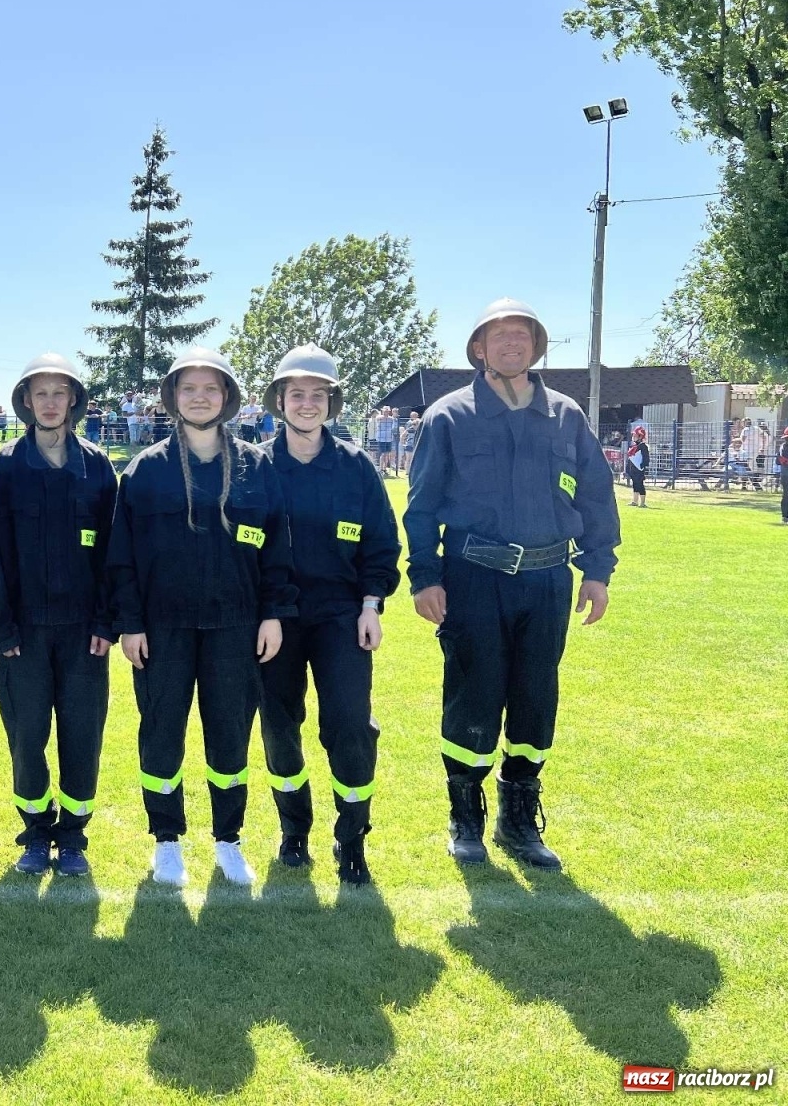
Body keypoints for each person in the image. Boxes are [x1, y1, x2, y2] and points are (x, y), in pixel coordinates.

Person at [405, 298, 620, 871]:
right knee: (473, 695)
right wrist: (424, 577)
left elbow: (596, 494)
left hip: (548, 580)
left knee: (535, 699)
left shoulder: (566, 415)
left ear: (536, 345)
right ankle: (465, 816)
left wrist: (597, 571)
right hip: (474, 578)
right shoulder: (448, 415)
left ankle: (518, 819)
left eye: (521, 334)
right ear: (478, 348)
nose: (510, 343)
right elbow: (421, 506)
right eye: (498, 335)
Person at [108, 346, 298, 888]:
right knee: (161, 733)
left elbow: (276, 549)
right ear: (173, 397)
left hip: (236, 626)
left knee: (230, 737)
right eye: (188, 388)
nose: (199, 397)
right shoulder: (145, 470)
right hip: (163, 628)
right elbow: (122, 556)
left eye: (210, 389)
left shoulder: (257, 467)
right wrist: (132, 623)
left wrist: (272, 614)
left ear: (227, 398)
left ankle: (228, 839)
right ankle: (166, 841)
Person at [255, 345, 401, 885]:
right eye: (297, 394)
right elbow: (245, 546)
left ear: (331, 403)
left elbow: (382, 544)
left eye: (318, 395)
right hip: (276, 620)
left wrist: (371, 604)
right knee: (278, 725)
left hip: (342, 615)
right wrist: (265, 609)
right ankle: (294, 829)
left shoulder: (357, 467)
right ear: (280, 401)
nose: (307, 404)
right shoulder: (257, 466)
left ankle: (352, 836)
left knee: (348, 725)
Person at [0, 354, 118, 877]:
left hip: (85, 635)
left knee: (82, 735)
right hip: (24, 634)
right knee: (27, 735)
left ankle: (74, 836)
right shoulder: (7, 467)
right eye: (39, 393)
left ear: (73, 401)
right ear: (25, 402)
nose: (49, 402)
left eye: (58, 393)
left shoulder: (98, 466)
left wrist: (106, 622)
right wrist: (2, 624)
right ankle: (37, 832)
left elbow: (115, 552)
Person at [625, 425, 650, 508]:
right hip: (633, 470)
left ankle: (642, 503)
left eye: (635, 435)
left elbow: (646, 458)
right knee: (635, 484)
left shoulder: (643, 446)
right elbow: (630, 459)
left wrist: (642, 465)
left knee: (640, 485)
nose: (633, 437)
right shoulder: (634, 447)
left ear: (640, 436)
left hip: (639, 470)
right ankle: (635, 501)